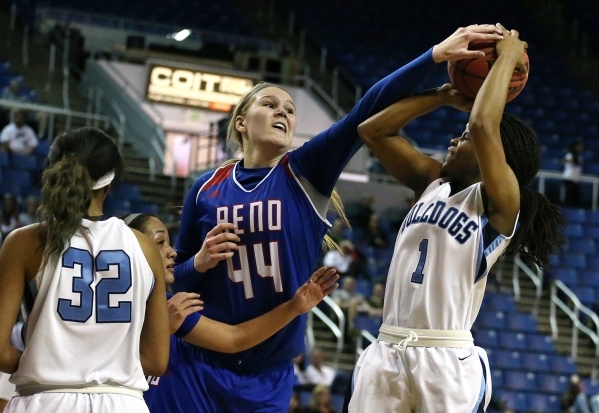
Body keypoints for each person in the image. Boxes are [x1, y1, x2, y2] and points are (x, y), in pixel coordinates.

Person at [163, 24, 505, 413]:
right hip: (197, 359)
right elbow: (175, 279)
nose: (283, 113)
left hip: (269, 372)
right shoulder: (205, 187)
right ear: (241, 122)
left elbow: (365, 112)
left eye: (290, 110)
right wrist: (200, 261)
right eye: (270, 105)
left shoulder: (305, 169)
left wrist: (433, 60)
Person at [348, 25, 566, 412]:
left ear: (494, 157)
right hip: (387, 348)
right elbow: (373, 130)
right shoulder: (430, 182)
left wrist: (510, 55)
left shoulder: (500, 203)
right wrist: (441, 96)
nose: (454, 140)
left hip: (445, 357)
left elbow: (484, 124)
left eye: (462, 137)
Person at [0, 127, 170, 413]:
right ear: (110, 181)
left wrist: (45, 363)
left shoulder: (24, 242)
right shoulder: (145, 247)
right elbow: (156, 361)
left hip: (46, 400)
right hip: (122, 403)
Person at [120, 213, 339, 408]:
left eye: (169, 242)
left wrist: (294, 307)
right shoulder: (110, 309)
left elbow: (233, 339)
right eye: (160, 242)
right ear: (131, 250)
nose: (172, 252)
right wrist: (159, 332)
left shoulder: (171, 305)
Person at [562, 140, 585, 208]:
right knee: (570, 195)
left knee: (576, 195)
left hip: (576, 178)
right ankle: (568, 209)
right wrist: (567, 160)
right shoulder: (570, 155)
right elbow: (564, 161)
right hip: (569, 177)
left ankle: (574, 208)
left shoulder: (579, 156)